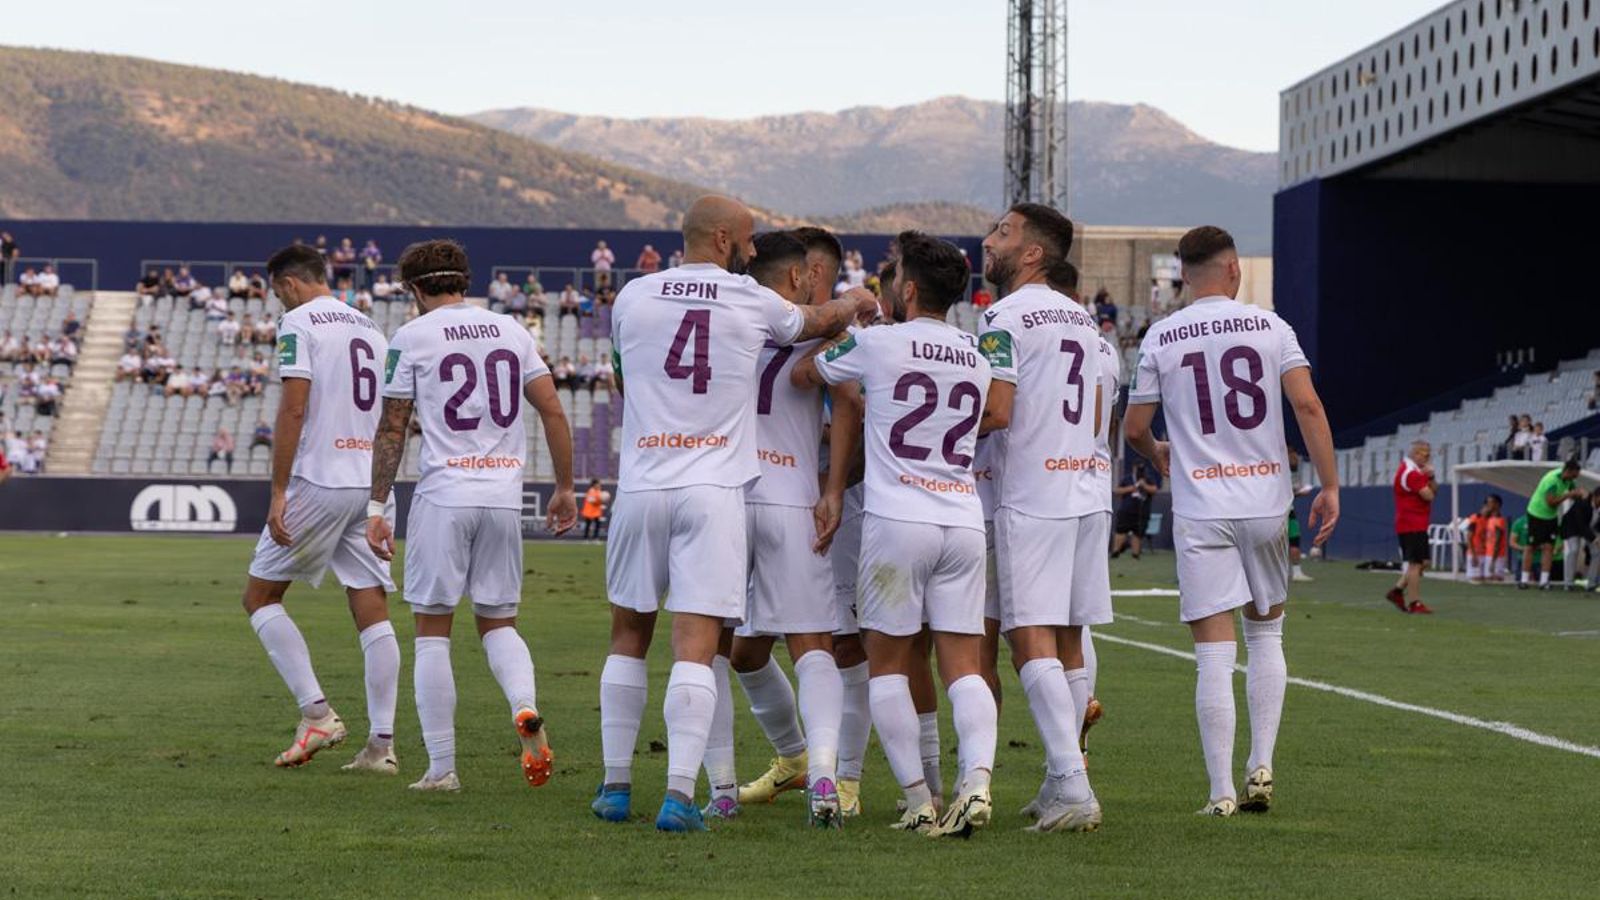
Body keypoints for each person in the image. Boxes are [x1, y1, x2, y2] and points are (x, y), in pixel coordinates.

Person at [593, 195, 875, 833]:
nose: (750, 251)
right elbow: (824, 338)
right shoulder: (756, 302)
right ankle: (689, 794)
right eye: (745, 239)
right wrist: (856, 303)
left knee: (630, 636)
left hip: (643, 483)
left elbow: (623, 381)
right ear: (722, 239)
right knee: (724, 647)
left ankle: (630, 787)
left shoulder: (632, 296)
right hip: (726, 490)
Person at [1123, 225, 1340, 817]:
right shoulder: (1272, 327)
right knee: (1266, 633)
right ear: (1235, 269)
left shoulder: (1162, 334)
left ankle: (1220, 792)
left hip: (1201, 507)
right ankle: (1261, 764)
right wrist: (1329, 485)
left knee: (1213, 654)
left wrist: (1156, 452)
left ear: (1183, 275)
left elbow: (1135, 427)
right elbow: (1307, 404)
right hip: (1265, 501)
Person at [792, 230, 996, 839]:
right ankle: (977, 782)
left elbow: (804, 374)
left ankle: (917, 801)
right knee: (964, 667)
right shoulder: (976, 354)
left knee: (887, 667)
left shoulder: (878, 343)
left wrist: (844, 339)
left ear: (907, 289)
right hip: (963, 519)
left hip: (898, 520)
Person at [366, 239, 578, 793]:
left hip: (445, 494)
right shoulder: (511, 329)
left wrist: (376, 507)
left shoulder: (411, 336)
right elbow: (553, 411)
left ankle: (442, 768)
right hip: (503, 496)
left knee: (432, 631)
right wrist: (564, 487)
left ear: (415, 289)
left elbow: (392, 428)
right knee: (499, 623)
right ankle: (524, 706)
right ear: (463, 280)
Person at [699, 231, 857, 829]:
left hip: (726, 493)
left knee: (708, 645)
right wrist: (833, 489)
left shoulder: (724, 319)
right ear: (800, 276)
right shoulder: (825, 333)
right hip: (792, 497)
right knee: (812, 645)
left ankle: (719, 788)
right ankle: (823, 777)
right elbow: (849, 403)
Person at [236, 243, 401, 775]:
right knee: (371, 602)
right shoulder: (371, 327)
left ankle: (317, 715)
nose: (278, 302)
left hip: (321, 478)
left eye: (276, 292)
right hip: (371, 482)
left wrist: (278, 490)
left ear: (288, 283)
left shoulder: (298, 322)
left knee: (261, 596)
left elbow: (294, 408)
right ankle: (381, 745)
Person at [974, 203, 1103, 834]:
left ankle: (1074, 787)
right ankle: (1060, 778)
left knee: (1028, 640)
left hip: (1032, 493)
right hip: (1084, 489)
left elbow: (997, 412)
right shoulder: (1084, 318)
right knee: (1070, 639)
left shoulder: (1003, 317)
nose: (988, 241)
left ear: (1032, 253)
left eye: (1002, 232)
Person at [1521, 458, 1585, 591]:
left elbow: (1574, 492)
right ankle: (1524, 580)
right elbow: (1551, 502)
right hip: (1536, 513)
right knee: (1531, 546)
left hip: (1551, 516)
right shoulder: (1552, 480)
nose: (1574, 479)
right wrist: (1568, 495)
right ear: (1567, 471)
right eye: (1573, 476)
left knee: (1549, 547)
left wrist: (1580, 494)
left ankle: (1544, 581)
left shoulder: (1568, 480)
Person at [1387, 441, 1436, 614]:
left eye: (1428, 454)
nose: (1427, 457)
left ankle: (1397, 591)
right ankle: (1415, 602)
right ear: (1415, 454)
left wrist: (1430, 477)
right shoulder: (1411, 473)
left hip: (1416, 523)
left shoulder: (1414, 471)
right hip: (1411, 523)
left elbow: (1433, 491)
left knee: (1423, 562)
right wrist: (1428, 478)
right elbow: (1429, 495)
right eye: (1424, 453)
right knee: (1415, 564)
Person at [1110, 463, 1161, 558]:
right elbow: (1117, 491)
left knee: (1138, 532)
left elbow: (1154, 489)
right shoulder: (1127, 478)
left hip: (1142, 511)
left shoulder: (1148, 478)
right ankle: (1116, 551)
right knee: (1121, 530)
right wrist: (1131, 488)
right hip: (1126, 510)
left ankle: (1135, 554)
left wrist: (1144, 485)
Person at [1463, 495, 1509, 583]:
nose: (1488, 505)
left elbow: (1497, 542)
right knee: (1476, 580)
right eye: (1487, 503)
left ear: (1497, 505)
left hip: (1489, 555)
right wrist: (1473, 555)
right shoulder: (1475, 518)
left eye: (1490, 503)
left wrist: (1493, 561)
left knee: (1491, 580)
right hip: (1476, 553)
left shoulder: (1495, 520)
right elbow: (1469, 538)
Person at [1287, 447, 1314, 582]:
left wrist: (1297, 491)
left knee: (1294, 541)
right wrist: (1299, 492)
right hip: (1282, 513)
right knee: (1291, 542)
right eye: (1292, 454)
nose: (1296, 457)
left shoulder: (1292, 472)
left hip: (1287, 511)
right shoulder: (1280, 471)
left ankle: (1296, 572)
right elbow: (1284, 493)